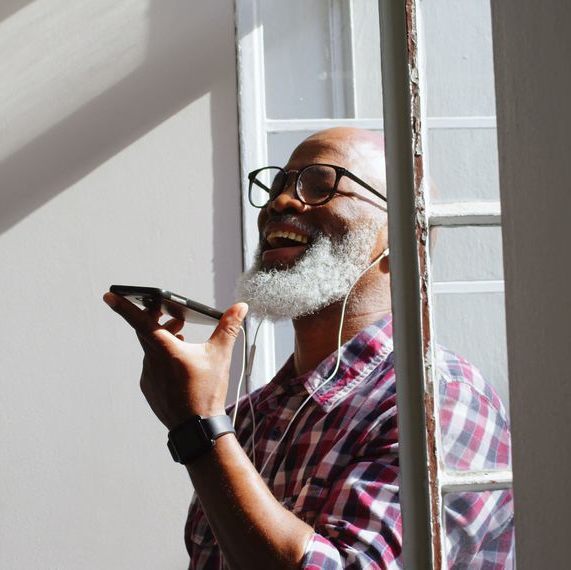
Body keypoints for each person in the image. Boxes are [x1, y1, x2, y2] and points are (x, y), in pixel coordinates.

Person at [103, 128, 512, 569]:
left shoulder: (438, 398)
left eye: (321, 186)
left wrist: (197, 426)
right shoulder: (247, 418)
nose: (280, 202)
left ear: (404, 241)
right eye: (278, 186)